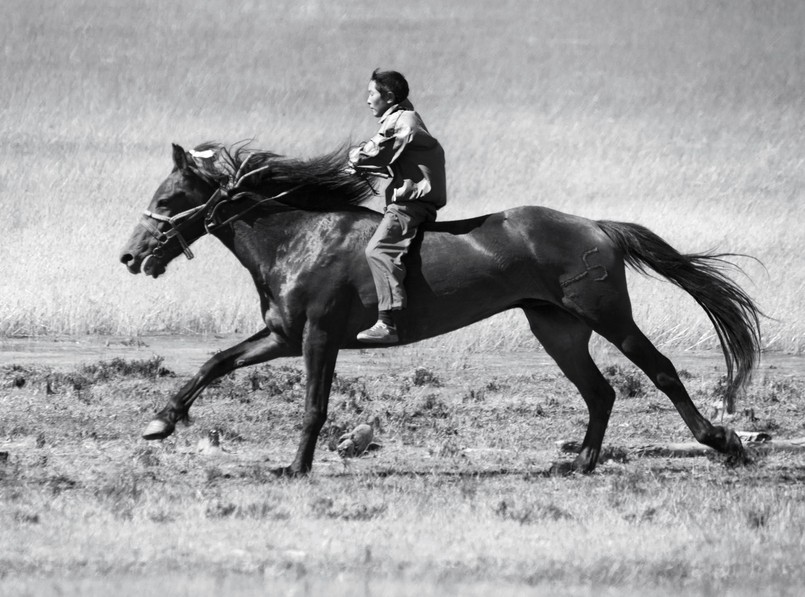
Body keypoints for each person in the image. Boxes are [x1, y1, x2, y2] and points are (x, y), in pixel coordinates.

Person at [347, 69, 447, 344]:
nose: (368, 100)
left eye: (371, 94)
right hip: (411, 201)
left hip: (409, 205)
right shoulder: (400, 117)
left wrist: (354, 159)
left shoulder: (403, 121)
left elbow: (377, 152)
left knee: (379, 250)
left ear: (388, 96)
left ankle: (386, 323)